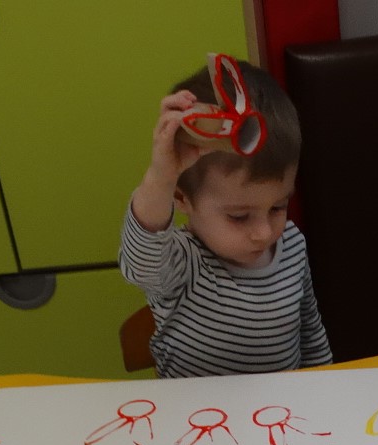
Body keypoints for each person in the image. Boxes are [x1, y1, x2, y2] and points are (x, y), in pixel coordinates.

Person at [119, 55, 332, 377]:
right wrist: (161, 177)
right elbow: (140, 265)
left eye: (278, 207)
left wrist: (325, 385)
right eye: (239, 216)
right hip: (195, 408)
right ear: (182, 197)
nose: (264, 232)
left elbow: (311, 334)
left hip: (282, 405)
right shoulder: (183, 262)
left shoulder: (292, 245)